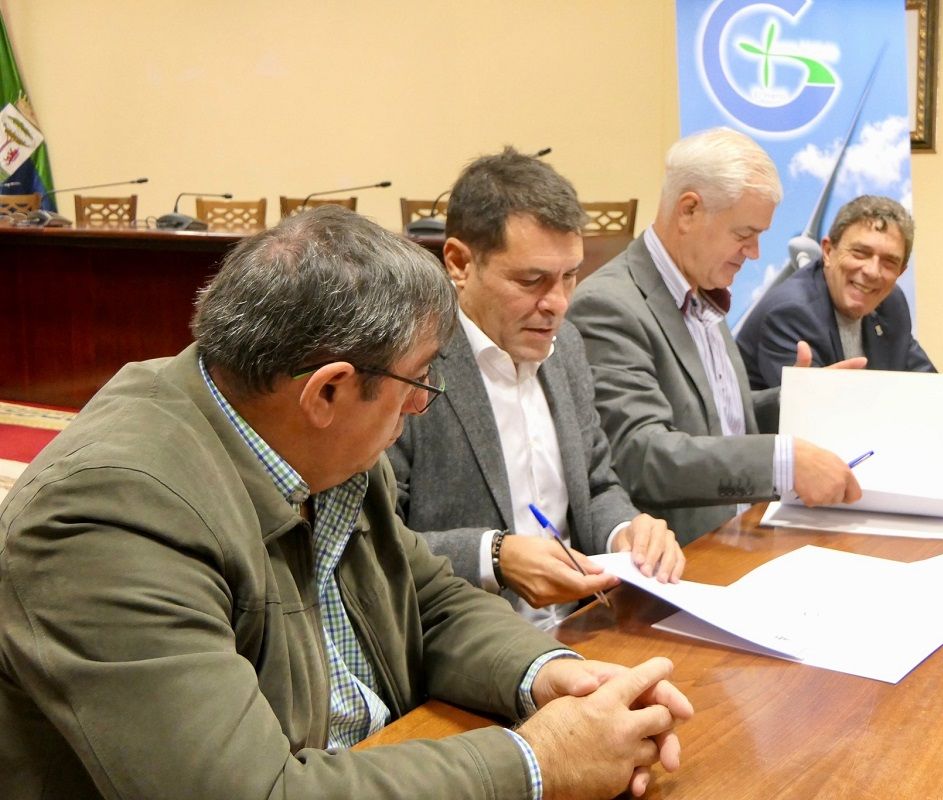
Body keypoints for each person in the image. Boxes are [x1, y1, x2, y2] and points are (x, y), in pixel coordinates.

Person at [0, 206, 691, 800]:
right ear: (326, 392)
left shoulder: (317, 446)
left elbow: (429, 600)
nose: (424, 403)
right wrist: (537, 764)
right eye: (418, 378)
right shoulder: (110, 519)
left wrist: (553, 676)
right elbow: (252, 792)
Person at [388, 148, 684, 629]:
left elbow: (596, 482)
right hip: (465, 647)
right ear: (460, 262)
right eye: (532, 281)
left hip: (585, 624)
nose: (559, 304)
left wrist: (626, 533)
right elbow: (375, 540)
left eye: (570, 276)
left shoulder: (563, 346)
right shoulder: (410, 363)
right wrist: (494, 557)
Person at [567, 128, 862, 544]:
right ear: (689, 211)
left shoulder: (701, 285)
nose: (755, 252)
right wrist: (782, 462)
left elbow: (719, 422)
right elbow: (642, 455)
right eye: (745, 235)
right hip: (682, 561)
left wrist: (798, 399)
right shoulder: (609, 305)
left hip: (742, 536)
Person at [735, 194, 943, 461]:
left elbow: (923, 382)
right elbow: (823, 430)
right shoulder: (791, 312)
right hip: (769, 483)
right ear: (827, 251)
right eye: (860, 253)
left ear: (901, 272)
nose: (873, 272)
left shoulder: (890, 302)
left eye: (889, 262)